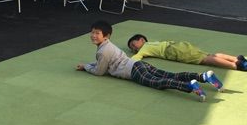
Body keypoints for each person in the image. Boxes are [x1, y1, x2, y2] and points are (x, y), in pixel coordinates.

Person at [76, 20, 223, 102]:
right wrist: (89, 65)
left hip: (134, 71)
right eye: (92, 32)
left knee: (159, 83)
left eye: (97, 33)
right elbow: (103, 64)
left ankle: (190, 86)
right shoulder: (108, 46)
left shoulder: (103, 51)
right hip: (139, 65)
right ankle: (203, 76)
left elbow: (100, 71)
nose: (93, 36)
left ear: (106, 36)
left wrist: (87, 67)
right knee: (169, 75)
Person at [126, 34, 247, 71]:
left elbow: (135, 59)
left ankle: (235, 65)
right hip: (181, 45)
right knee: (209, 55)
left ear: (141, 40)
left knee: (206, 60)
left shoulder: (144, 48)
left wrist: (124, 61)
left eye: (133, 45)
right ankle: (235, 58)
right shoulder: (152, 43)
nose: (134, 49)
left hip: (175, 51)